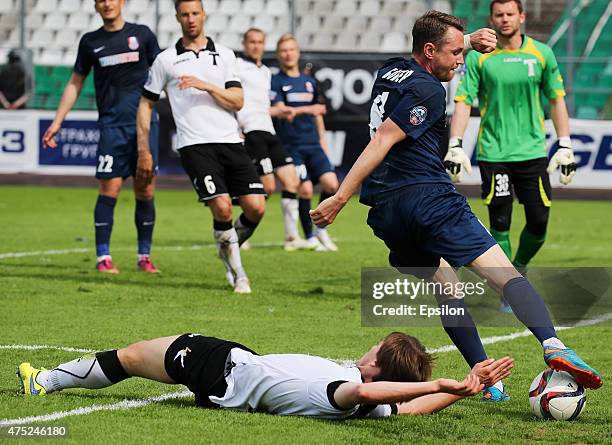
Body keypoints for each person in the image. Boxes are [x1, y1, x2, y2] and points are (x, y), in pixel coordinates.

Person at [311, 11, 602, 401]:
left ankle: (487, 379)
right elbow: (382, 139)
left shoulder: (389, 71)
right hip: (429, 198)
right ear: (429, 52)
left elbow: (429, 54)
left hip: (385, 211)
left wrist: (465, 41)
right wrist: (338, 198)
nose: (460, 60)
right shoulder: (430, 90)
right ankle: (553, 344)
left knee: (446, 284)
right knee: (504, 274)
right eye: (453, 53)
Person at [17, 331, 514, 418]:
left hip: (222, 368)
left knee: (127, 358)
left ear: (378, 362)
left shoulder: (347, 391)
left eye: (377, 347)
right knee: (130, 359)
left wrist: (440, 383)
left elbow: (365, 389)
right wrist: (466, 390)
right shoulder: (375, 405)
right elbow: (406, 405)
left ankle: (43, 382)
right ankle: (46, 380)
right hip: (237, 371)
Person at [447, 0, 576, 313]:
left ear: (522, 17)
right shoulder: (479, 57)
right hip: (494, 153)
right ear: (492, 19)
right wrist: (455, 143)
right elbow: (464, 101)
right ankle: (509, 290)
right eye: (498, 15)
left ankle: (519, 268)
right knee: (500, 223)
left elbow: (556, 100)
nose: (504, 20)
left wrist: (565, 143)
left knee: (539, 222)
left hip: (532, 153)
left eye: (509, 14)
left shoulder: (542, 53)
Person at [137, 0, 266, 294]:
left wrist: (206, 85)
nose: (191, 18)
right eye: (185, 14)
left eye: (195, 13)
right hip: (194, 144)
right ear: (177, 18)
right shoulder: (166, 60)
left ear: (204, 15)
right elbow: (146, 103)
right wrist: (144, 148)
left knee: (256, 208)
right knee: (221, 208)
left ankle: (227, 245)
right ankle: (239, 275)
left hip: (231, 140)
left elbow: (238, 100)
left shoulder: (225, 55)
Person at [41, 0, 161, 274]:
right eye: (100, 0)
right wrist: (58, 121)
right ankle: (103, 257)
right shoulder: (90, 41)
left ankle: (144, 256)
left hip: (145, 126)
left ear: (123, 2)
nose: (107, 3)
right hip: (111, 127)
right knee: (110, 189)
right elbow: (75, 82)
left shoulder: (142, 35)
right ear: (96, 6)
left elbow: (163, 74)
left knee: (146, 189)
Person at [237, 28, 309, 251]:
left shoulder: (266, 72)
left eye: (260, 42)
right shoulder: (237, 66)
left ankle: (291, 237)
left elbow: (266, 105)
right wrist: (234, 125)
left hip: (269, 131)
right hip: (251, 131)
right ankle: (241, 231)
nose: (256, 46)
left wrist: (281, 110)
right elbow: (231, 97)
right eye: (252, 42)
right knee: (266, 187)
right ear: (244, 44)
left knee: (291, 181)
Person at [271, 34, 339, 252]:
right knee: (306, 190)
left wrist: (323, 142)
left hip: (313, 144)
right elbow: (282, 111)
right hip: (291, 146)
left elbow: (318, 114)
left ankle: (320, 228)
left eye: (291, 49)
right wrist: (307, 109)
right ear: (279, 55)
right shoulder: (276, 81)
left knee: (332, 184)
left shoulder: (309, 82)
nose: (288, 54)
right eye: (283, 50)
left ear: (298, 52)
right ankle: (309, 236)